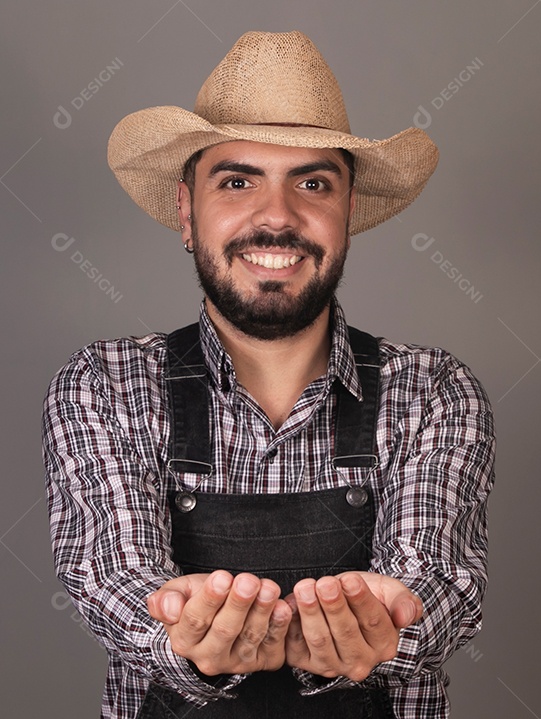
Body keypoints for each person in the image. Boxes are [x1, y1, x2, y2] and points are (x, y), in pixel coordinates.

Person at [41, 30, 495, 719]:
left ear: (348, 213)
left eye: (313, 183)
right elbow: (116, 580)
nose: (278, 217)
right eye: (237, 180)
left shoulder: (433, 391)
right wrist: (182, 633)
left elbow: (433, 584)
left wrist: (383, 627)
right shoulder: (103, 385)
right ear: (187, 212)